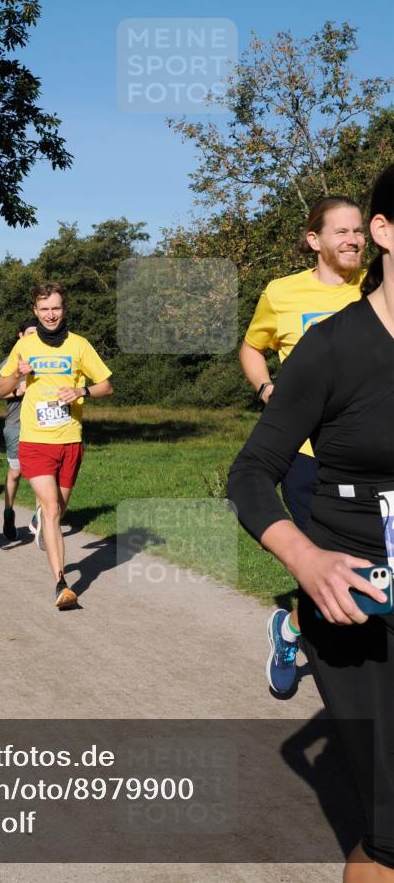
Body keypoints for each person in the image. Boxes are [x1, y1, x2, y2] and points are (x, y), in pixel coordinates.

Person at [228, 163, 394, 882]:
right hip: (358, 597)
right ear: (387, 232)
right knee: (393, 832)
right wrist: (306, 560)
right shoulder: (333, 346)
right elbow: (250, 474)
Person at [239, 195, 365, 693]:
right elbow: (252, 347)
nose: (354, 239)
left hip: (376, 456)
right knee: (333, 566)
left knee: (375, 571)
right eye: (342, 231)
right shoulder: (282, 293)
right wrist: (268, 390)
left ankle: (292, 625)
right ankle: (296, 632)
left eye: (359, 230)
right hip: (310, 459)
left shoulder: (381, 288)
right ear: (314, 241)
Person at [0, 283, 113, 608]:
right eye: (44, 309)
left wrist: (81, 392)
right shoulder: (24, 346)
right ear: (35, 311)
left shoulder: (79, 345)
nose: (50, 314)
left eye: (56, 308)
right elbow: (2, 387)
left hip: (69, 441)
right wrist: (17, 376)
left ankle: (47, 532)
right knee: (49, 508)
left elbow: (106, 385)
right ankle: (61, 583)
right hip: (34, 440)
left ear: (64, 310)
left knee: (58, 511)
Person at [0, 317, 38, 540]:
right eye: (30, 333)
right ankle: (8, 512)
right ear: (20, 336)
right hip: (16, 425)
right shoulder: (9, 361)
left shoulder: (50, 360)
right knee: (17, 472)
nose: (35, 338)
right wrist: (20, 390)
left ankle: (41, 518)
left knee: (43, 473)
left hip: (42, 426)